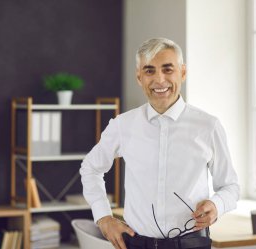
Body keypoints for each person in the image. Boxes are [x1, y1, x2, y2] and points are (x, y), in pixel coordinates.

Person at [80, 38, 240, 249]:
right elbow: (90, 168)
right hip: (137, 244)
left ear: (182, 72)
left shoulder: (208, 126)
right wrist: (104, 218)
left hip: (192, 244)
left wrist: (217, 205)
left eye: (167, 69)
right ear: (139, 77)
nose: (159, 79)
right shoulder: (123, 126)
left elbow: (230, 186)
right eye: (149, 71)